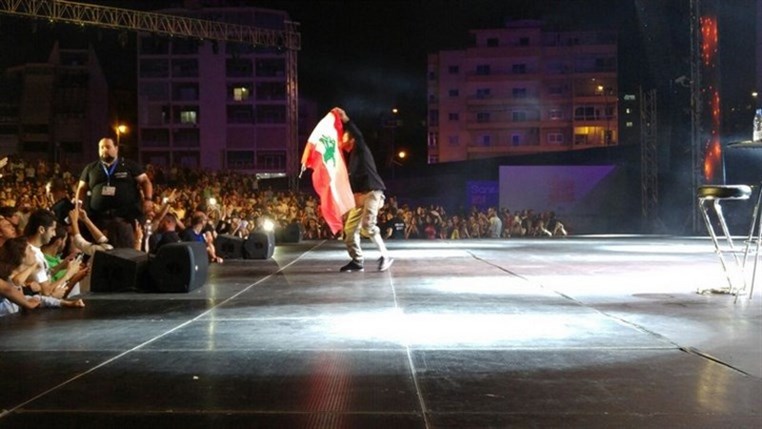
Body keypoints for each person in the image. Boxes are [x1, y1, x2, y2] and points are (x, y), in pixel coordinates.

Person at [334, 107, 393, 272]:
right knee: (350, 230)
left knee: (367, 225)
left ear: (351, 139)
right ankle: (357, 260)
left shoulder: (361, 149)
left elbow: (358, 135)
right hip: (359, 196)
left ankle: (385, 256)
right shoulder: (351, 159)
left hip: (373, 192)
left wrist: (346, 120)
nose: (342, 140)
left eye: (345, 136)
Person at [75, 137, 154, 248]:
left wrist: (148, 199)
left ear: (116, 149)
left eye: (108, 147)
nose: (104, 150)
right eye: (101, 147)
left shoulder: (129, 165)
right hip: (99, 218)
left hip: (126, 218)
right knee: (101, 249)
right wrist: (78, 206)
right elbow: (81, 188)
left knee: (128, 247)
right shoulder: (90, 168)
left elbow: (145, 181)